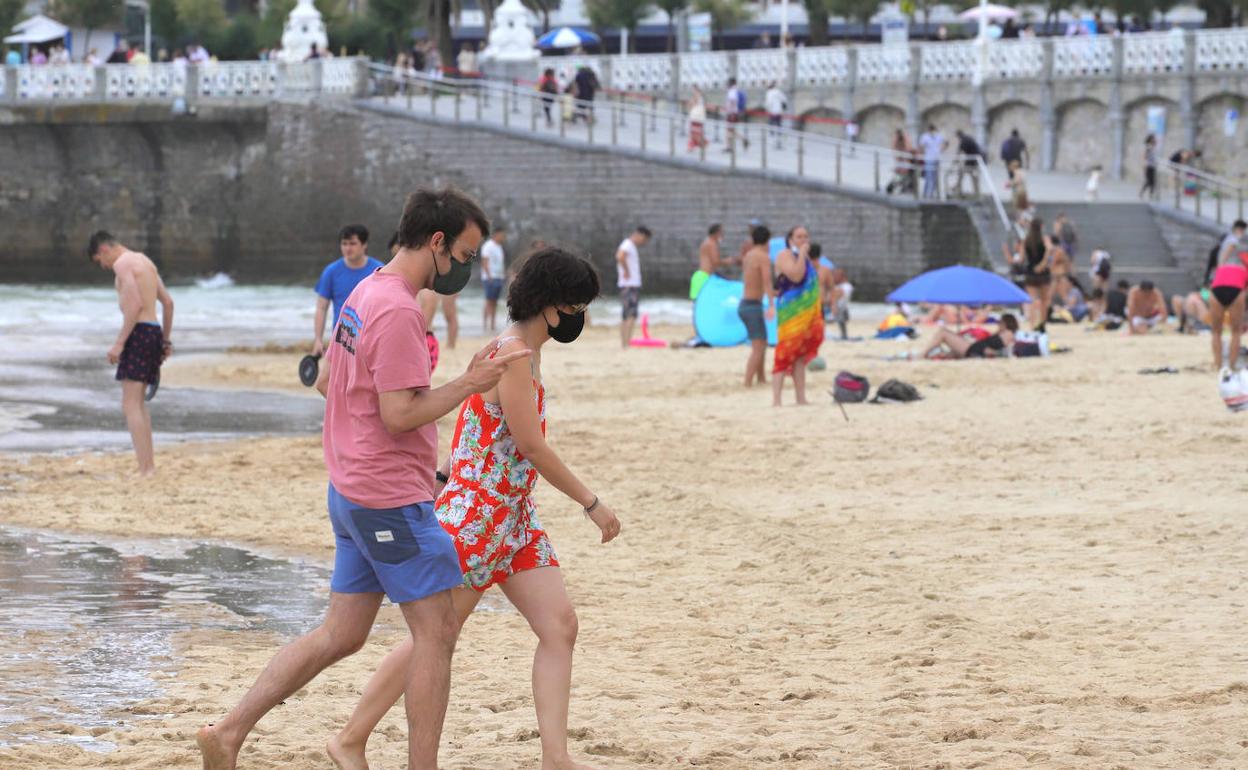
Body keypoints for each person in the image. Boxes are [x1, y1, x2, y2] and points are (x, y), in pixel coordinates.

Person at [195, 188, 529, 770]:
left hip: (350, 490)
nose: (467, 268)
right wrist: (468, 383)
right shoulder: (398, 308)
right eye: (467, 255)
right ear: (436, 242)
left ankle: (227, 732)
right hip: (387, 503)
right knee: (438, 632)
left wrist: (414, 456)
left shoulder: (364, 290)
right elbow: (400, 413)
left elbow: (330, 382)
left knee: (342, 634)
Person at [328, 247, 620, 770]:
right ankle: (351, 737)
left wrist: (442, 475)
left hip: (514, 518)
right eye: (577, 304)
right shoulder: (510, 355)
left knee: (559, 626)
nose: (581, 316)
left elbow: (470, 426)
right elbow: (531, 446)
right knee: (435, 638)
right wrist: (591, 502)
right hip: (478, 520)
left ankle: (556, 756)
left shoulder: (524, 351)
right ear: (551, 304)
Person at [87, 231, 174, 477]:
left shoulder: (122, 263)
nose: (104, 266)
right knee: (139, 405)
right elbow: (168, 303)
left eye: (99, 261)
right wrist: (165, 340)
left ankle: (146, 469)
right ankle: (147, 467)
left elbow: (134, 306)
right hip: (154, 332)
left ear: (104, 250)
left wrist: (119, 344)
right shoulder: (145, 262)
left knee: (130, 404)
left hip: (138, 333)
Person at [313, 225, 385, 358]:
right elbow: (321, 308)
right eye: (344, 244)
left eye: (352, 243)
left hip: (372, 339)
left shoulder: (379, 270)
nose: (347, 248)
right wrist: (318, 339)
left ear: (364, 245)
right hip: (342, 340)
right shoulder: (331, 272)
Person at [771, 226, 824, 406]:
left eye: (806, 237)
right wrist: (801, 254)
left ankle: (800, 397)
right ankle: (776, 400)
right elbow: (796, 275)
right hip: (790, 313)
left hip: (806, 313)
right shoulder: (784, 255)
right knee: (785, 352)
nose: (803, 240)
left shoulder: (805, 257)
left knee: (800, 355)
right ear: (790, 239)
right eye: (799, 236)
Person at [739, 225, 774, 387]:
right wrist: (772, 304)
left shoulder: (749, 255)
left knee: (762, 342)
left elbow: (755, 280)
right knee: (758, 347)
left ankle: (761, 378)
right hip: (753, 305)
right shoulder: (763, 257)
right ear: (767, 240)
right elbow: (766, 280)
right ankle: (747, 382)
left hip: (745, 304)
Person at [1208, 240, 1247, 374]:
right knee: (1236, 332)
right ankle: (1231, 365)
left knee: (1216, 332)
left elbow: (1223, 256)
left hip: (1216, 290)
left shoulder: (1222, 267)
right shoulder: (1244, 270)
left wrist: (1230, 246)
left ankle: (1218, 365)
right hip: (1236, 290)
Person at [921, 314, 1019, 359]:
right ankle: (926, 355)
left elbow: (1006, 350)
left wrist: (990, 353)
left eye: (1000, 322)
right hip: (974, 348)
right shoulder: (1003, 334)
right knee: (948, 353)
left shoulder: (1008, 334)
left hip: (973, 350)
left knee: (943, 332)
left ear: (1005, 323)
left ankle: (921, 355)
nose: (998, 324)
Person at [1014, 217, 1052, 330]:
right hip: (1043, 273)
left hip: (1030, 272)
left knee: (1031, 300)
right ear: (1041, 227)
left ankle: (1032, 325)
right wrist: (1042, 264)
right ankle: (1042, 325)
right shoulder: (1045, 239)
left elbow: (1021, 259)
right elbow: (1049, 250)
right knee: (1045, 300)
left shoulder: (1026, 240)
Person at [616, 226, 650, 348]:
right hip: (630, 285)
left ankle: (624, 343)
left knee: (626, 314)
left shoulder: (629, 245)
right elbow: (620, 256)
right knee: (631, 314)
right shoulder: (628, 244)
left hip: (628, 285)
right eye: (645, 240)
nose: (644, 243)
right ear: (640, 235)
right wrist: (626, 271)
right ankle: (626, 343)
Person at [480, 227, 507, 333]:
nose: (504, 237)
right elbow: (484, 261)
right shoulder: (488, 245)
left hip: (499, 277)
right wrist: (489, 276)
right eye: (502, 235)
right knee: (488, 301)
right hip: (490, 277)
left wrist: (503, 275)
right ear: (496, 234)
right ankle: (485, 325)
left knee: (495, 301)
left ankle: (492, 325)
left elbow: (500, 263)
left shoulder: (499, 247)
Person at [692, 223, 725, 299]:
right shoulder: (712, 244)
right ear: (717, 233)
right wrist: (729, 261)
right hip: (706, 277)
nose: (723, 235)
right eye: (722, 233)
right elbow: (716, 261)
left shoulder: (706, 242)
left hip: (700, 275)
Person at [917, 123, 946, 199]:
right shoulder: (925, 137)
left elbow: (945, 143)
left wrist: (941, 150)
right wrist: (923, 153)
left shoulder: (938, 136)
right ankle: (927, 194)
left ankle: (930, 194)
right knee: (929, 177)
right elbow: (921, 146)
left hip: (936, 159)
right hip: (929, 159)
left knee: (934, 178)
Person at [954, 129, 983, 197]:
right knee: (974, 177)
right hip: (974, 161)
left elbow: (959, 152)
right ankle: (977, 192)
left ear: (958, 136)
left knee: (961, 173)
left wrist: (955, 161)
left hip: (972, 161)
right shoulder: (968, 138)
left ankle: (958, 189)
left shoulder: (964, 140)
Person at [724, 78, 749, 152]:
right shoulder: (736, 90)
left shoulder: (732, 91)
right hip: (734, 113)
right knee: (731, 130)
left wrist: (730, 111)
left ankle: (729, 147)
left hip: (731, 113)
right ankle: (743, 140)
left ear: (730, 84)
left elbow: (733, 101)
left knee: (729, 130)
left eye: (728, 83)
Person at [831, 267, 854, 340]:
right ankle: (843, 335)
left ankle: (844, 336)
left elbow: (839, 293)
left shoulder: (847, 286)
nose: (833, 277)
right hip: (840, 309)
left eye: (836, 275)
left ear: (843, 277)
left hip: (842, 309)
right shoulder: (838, 286)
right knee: (840, 323)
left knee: (841, 322)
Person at [764, 82, 786, 147]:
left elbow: (768, 103)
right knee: (779, 125)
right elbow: (784, 99)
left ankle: (772, 140)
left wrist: (767, 109)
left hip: (772, 112)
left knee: (771, 125)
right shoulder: (778, 92)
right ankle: (779, 140)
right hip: (779, 111)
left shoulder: (769, 93)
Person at [687, 85, 708, 152]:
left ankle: (701, 143)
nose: (693, 91)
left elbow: (691, 104)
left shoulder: (696, 96)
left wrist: (690, 104)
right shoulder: (701, 97)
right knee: (696, 132)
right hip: (699, 116)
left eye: (694, 90)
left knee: (694, 132)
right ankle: (695, 145)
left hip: (696, 116)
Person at [1140, 134, 1158, 200]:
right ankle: (1142, 192)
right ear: (1150, 139)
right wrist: (1144, 165)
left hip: (1153, 166)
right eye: (1153, 138)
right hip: (1148, 166)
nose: (1155, 140)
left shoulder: (1153, 147)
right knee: (1148, 181)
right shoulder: (1148, 147)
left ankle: (1151, 194)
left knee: (1153, 181)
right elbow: (1144, 156)